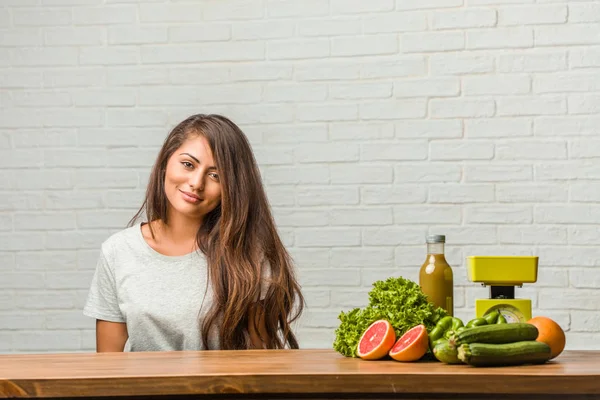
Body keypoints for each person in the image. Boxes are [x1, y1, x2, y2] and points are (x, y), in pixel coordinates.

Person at [83, 114, 305, 352]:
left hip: (223, 390)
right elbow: (108, 368)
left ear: (230, 188)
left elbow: (260, 366)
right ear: (166, 161)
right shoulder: (118, 251)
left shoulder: (248, 255)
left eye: (215, 176)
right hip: (140, 390)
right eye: (188, 164)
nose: (196, 183)